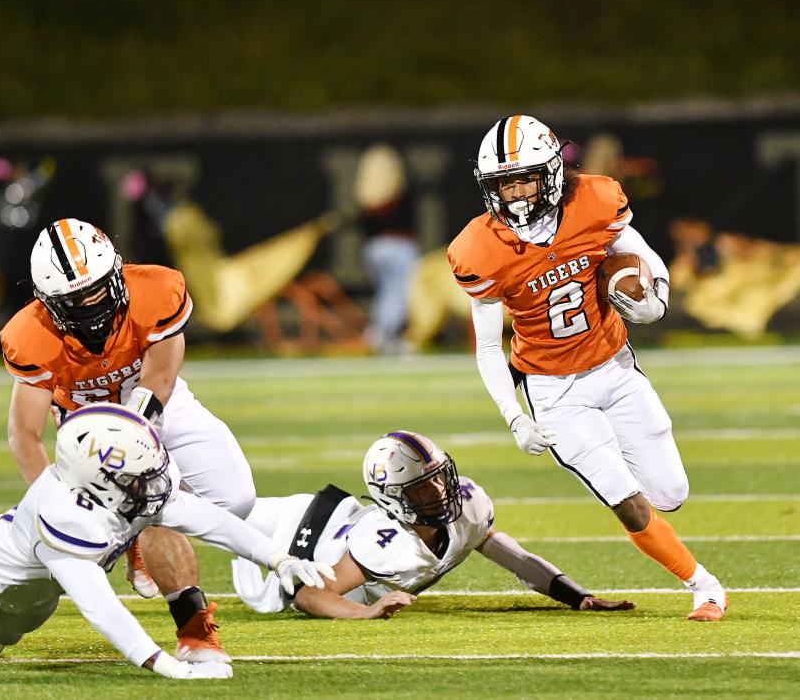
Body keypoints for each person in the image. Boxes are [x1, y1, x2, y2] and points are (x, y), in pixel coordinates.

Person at [447, 114, 727, 621]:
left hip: (615, 365)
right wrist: (514, 416)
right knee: (625, 499)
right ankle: (703, 586)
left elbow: (639, 253)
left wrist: (654, 299)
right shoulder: (478, 247)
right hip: (553, 389)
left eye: (524, 178)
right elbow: (488, 347)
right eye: (503, 183)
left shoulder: (595, 201)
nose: (514, 194)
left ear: (552, 172)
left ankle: (651, 496)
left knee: (671, 493)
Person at [0, 218, 258, 661]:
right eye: (74, 299)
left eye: (96, 289)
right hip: (86, 427)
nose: (89, 304)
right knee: (122, 520)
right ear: (47, 300)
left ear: (117, 272)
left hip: (157, 401)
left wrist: (137, 439)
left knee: (236, 500)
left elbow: (160, 377)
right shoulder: (31, 333)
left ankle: (136, 531)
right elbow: (24, 434)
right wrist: (57, 503)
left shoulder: (156, 289)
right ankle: (193, 628)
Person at [0, 404, 332, 678]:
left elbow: (209, 520)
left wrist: (278, 558)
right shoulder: (66, 518)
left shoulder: (124, 489)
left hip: (36, 587)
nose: (153, 482)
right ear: (99, 482)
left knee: (4, 635)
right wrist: (158, 662)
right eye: (139, 477)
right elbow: (102, 608)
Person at [231, 430, 634, 618]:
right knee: (215, 509)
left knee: (202, 508)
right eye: (423, 489)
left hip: (337, 520)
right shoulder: (385, 541)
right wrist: (367, 615)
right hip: (293, 539)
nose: (440, 492)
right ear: (393, 497)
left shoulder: (466, 507)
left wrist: (575, 595)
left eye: (441, 478)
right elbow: (311, 596)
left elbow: (509, 554)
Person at [355, 144, 420, 354]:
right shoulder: (400, 191)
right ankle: (383, 335)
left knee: (386, 292)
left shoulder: (366, 196)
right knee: (399, 293)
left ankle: (379, 332)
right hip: (400, 247)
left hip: (375, 249)